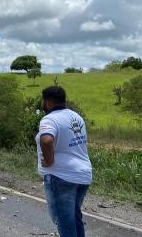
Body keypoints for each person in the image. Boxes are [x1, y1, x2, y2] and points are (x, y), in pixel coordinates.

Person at [36, 86, 92, 237]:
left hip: (61, 177)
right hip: (82, 175)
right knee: (73, 218)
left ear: (47, 102)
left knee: (63, 221)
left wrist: (48, 161)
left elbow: (46, 140)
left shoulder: (49, 119)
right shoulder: (75, 116)